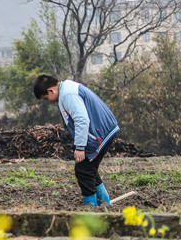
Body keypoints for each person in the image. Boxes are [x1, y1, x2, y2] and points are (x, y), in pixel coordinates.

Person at [33, 74, 119, 207]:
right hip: (102, 130)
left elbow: (82, 119)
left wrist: (80, 147)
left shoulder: (68, 95)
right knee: (89, 169)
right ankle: (105, 205)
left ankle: (91, 210)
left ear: (51, 90)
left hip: (98, 134)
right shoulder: (67, 89)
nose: (48, 101)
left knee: (83, 171)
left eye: (46, 98)